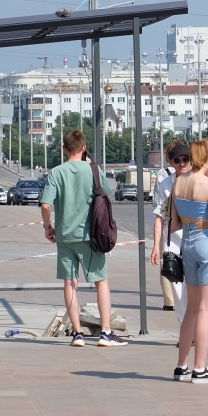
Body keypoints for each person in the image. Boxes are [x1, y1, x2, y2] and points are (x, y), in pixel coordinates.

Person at [40, 130, 128, 347]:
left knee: (70, 283)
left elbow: (46, 205)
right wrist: (90, 166)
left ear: (64, 149)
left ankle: (78, 333)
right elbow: (106, 193)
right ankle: (105, 332)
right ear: (84, 148)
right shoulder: (92, 170)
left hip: (65, 236)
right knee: (101, 281)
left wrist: (48, 227)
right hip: (91, 236)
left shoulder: (56, 173)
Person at [169, 138, 208, 383]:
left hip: (188, 243)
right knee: (206, 309)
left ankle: (181, 366)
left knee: (191, 310)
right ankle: (200, 368)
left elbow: (174, 223)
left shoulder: (178, 181)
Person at [150, 142, 192, 323]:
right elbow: (159, 216)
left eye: (185, 159)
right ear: (171, 162)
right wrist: (156, 246)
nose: (182, 163)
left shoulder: (198, 180)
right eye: (177, 160)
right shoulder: (166, 183)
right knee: (178, 289)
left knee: (196, 289)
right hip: (173, 243)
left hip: (195, 240)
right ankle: (186, 328)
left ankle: (199, 326)